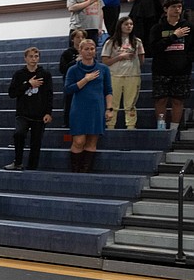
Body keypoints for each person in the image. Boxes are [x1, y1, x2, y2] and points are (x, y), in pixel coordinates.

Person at [64, 39, 113, 172]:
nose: (90, 51)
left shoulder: (103, 69)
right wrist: (85, 79)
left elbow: (108, 91)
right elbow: (68, 89)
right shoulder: (73, 69)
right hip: (79, 109)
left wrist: (109, 109)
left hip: (97, 109)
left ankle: (85, 172)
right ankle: (75, 171)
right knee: (79, 141)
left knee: (92, 141)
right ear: (80, 51)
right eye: (86, 49)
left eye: (92, 48)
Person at [149, 0, 194, 130]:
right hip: (161, 69)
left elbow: (192, 48)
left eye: (179, 7)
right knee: (161, 100)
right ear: (165, 9)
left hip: (181, 70)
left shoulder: (189, 27)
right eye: (173, 7)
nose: (177, 9)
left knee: (178, 100)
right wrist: (174, 36)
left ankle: (174, 129)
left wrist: (186, 61)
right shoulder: (157, 28)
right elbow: (154, 49)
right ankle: (161, 127)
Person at [6, 47, 53, 170]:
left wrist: (48, 112)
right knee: (19, 134)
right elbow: (12, 93)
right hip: (23, 112)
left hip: (39, 113)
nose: (34, 59)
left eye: (36, 56)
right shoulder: (19, 74)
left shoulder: (45, 74)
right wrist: (28, 84)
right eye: (31, 56)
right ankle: (18, 162)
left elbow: (49, 94)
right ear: (25, 58)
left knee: (36, 142)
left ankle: (32, 167)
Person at [101, 17, 145, 130]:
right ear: (120, 26)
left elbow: (142, 59)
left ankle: (131, 126)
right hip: (114, 75)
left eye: (131, 24)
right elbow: (105, 61)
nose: (129, 26)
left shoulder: (137, 41)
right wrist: (120, 57)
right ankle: (110, 125)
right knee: (113, 104)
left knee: (130, 104)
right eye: (126, 24)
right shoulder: (111, 42)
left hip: (133, 75)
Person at [59, 29, 85, 127]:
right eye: (78, 37)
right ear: (72, 39)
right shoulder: (67, 53)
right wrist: (75, 61)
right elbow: (62, 69)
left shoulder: (88, 51)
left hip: (85, 82)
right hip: (71, 83)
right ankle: (67, 123)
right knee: (69, 103)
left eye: (82, 37)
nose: (80, 39)